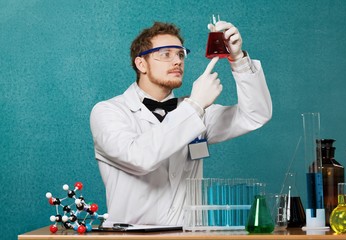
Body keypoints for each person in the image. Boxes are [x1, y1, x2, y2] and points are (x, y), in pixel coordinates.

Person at [90, 20, 272, 227]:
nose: (177, 61)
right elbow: (139, 158)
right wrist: (194, 105)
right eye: (165, 54)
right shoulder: (109, 111)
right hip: (132, 236)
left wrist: (238, 59)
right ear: (141, 64)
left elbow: (255, 115)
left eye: (180, 54)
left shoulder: (197, 111)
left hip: (189, 234)